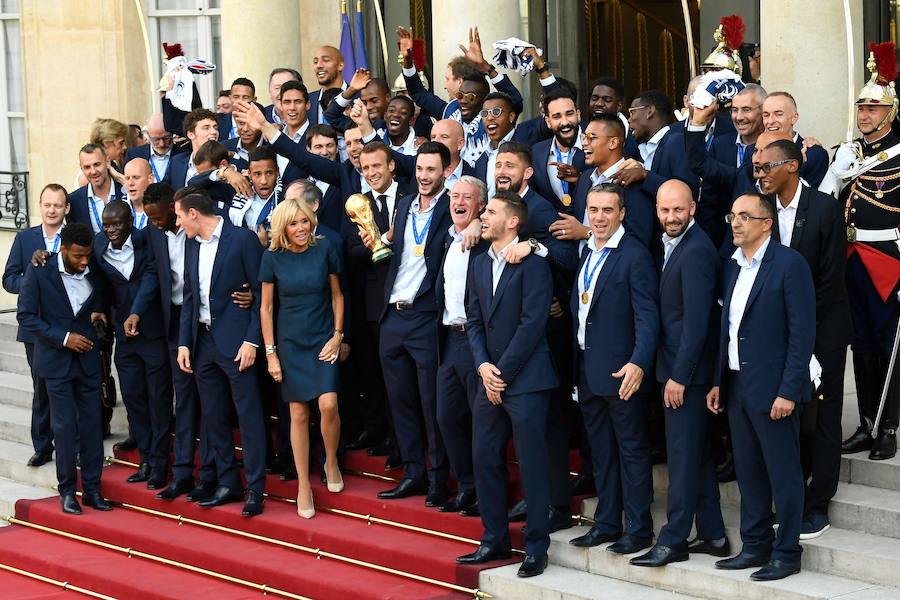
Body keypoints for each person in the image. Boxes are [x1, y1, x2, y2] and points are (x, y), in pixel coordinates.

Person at [708, 192, 815, 581]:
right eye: (732, 216)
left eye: (744, 217)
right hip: (738, 386)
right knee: (749, 472)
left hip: (775, 392)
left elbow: (802, 335)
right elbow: (729, 329)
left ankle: (787, 552)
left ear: (766, 223)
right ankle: (754, 545)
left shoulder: (789, 266)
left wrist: (788, 390)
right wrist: (720, 381)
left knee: (783, 474)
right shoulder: (733, 266)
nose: (735, 223)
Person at [457, 190, 555, 578]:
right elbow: (474, 319)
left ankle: (536, 548)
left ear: (512, 221)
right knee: (484, 457)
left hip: (527, 380)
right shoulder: (479, 262)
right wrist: (483, 366)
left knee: (532, 464)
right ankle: (494, 537)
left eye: (491, 211)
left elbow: (533, 325)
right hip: (489, 379)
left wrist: (502, 374)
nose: (483, 215)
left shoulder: (533, 265)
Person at [756, 139, 852, 537]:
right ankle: (792, 493)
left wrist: (798, 328)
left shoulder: (825, 209)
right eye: (757, 168)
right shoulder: (761, 213)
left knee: (824, 418)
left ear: (792, 166)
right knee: (793, 416)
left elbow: (829, 281)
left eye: (767, 167)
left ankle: (819, 501)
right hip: (782, 335)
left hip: (823, 332)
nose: (759, 174)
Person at [630, 180, 728, 567]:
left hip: (686, 375)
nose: (671, 217)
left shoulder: (698, 250)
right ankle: (714, 533)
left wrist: (680, 376)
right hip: (676, 370)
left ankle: (673, 539)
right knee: (697, 455)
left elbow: (697, 323)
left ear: (693, 207)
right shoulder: (671, 243)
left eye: (678, 210)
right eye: (664, 210)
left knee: (683, 457)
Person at [567, 183, 658, 555]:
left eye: (607, 211)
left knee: (632, 451)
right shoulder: (586, 251)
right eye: (593, 210)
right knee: (601, 451)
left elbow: (648, 317)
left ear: (621, 214)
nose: (599, 218)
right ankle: (606, 523)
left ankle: (638, 529)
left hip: (623, 373)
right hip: (589, 370)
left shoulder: (634, 255)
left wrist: (639, 362)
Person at [366, 142, 453, 505]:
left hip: (425, 315)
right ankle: (413, 472)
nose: (423, 176)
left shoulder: (453, 207)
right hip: (392, 316)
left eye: (431, 170)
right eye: (419, 169)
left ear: (445, 172)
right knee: (399, 401)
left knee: (431, 403)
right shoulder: (402, 206)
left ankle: (437, 478)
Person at [176, 190, 267, 517]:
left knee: (249, 417)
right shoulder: (190, 243)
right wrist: (185, 342)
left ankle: (256, 488)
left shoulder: (242, 240)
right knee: (213, 417)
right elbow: (189, 295)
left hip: (236, 343)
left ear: (194, 215)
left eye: (180, 216)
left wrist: (252, 340)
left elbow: (262, 295)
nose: (178, 222)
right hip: (203, 344)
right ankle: (229, 482)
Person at [17, 222, 112, 515]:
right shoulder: (40, 270)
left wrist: (101, 314)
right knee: (65, 427)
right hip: (56, 363)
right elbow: (26, 316)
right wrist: (65, 338)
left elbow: (106, 294)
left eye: (87, 256)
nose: (83, 262)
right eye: (77, 257)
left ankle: (93, 490)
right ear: (62, 249)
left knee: (92, 426)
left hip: (87, 363)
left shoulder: (93, 267)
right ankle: (68, 491)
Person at [833, 44, 900, 461]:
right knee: (862, 345)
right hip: (852, 259)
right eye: (861, 108)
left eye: (873, 109)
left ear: (890, 112)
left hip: (889, 261)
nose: (865, 115)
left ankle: (888, 426)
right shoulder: (852, 152)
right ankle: (866, 423)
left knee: (888, 343)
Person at [260, 198, 345, 519]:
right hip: (290, 343)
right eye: (293, 223)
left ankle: (331, 459)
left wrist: (338, 335)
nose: (300, 228)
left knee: (328, 404)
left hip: (323, 337)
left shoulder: (324, 250)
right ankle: (303, 486)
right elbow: (266, 308)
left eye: (305, 221)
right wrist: (271, 354)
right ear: (283, 226)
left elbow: (337, 295)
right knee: (296, 414)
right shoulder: (272, 258)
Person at [142, 184, 220, 501]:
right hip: (175, 323)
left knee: (211, 403)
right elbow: (151, 273)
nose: (158, 223)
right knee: (184, 400)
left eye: (162, 217)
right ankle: (184, 472)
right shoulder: (153, 230)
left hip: (207, 325)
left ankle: (211, 474)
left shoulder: (200, 230)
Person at [94, 200, 172, 489]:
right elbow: (97, 282)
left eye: (116, 224)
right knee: (135, 400)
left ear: (129, 222)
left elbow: (153, 279)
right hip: (123, 340)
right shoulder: (98, 248)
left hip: (152, 335)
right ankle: (147, 461)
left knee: (159, 401)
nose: (111, 229)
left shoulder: (147, 240)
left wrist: (136, 313)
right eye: (107, 224)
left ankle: (161, 464)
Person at [3, 183, 69, 467]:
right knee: (41, 387)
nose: (52, 210)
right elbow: (8, 279)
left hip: (68, 326)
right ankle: (42, 446)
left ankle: (71, 443)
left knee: (67, 387)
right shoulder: (25, 238)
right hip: (34, 329)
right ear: (40, 206)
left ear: (66, 208)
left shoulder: (75, 236)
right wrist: (31, 284)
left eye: (57, 205)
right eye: (47, 205)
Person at [434, 176, 489, 515]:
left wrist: (481, 225)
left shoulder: (485, 239)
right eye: (455, 195)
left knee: (482, 423)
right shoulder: (446, 239)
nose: (460, 201)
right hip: (448, 339)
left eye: (468, 197)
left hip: (475, 340)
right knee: (447, 417)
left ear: (480, 205)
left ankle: (485, 492)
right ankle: (467, 484)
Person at [398, 25, 524, 166]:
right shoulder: (451, 110)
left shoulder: (492, 118)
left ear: (483, 100)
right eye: (460, 95)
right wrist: (408, 61)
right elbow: (418, 93)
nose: (462, 101)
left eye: (470, 97)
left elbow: (516, 100)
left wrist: (486, 68)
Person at [530, 87, 585, 212]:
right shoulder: (537, 152)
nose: (565, 122)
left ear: (578, 115)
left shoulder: (596, 147)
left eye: (569, 114)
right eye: (557, 117)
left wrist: (580, 179)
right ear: (548, 122)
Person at [67, 144, 125, 233]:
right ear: (81, 168)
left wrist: (120, 179)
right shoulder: (74, 201)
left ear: (108, 162)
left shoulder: (126, 191)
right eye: (87, 167)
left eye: (97, 164)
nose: (93, 171)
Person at [169, 108, 220, 189]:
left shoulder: (225, 163)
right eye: (206, 128)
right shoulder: (176, 162)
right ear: (191, 134)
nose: (214, 132)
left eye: (215, 128)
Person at [124, 113, 178, 184]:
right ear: (148, 136)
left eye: (166, 138)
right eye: (156, 139)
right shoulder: (134, 154)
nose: (162, 144)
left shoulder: (183, 154)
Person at [309, 46, 348, 124]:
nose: (319, 65)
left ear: (340, 65)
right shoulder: (308, 101)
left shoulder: (359, 96)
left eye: (326, 60)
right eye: (315, 62)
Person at [123, 158, 153, 230]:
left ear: (150, 179)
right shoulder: (118, 209)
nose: (130, 183)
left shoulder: (160, 210)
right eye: (127, 178)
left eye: (136, 178)